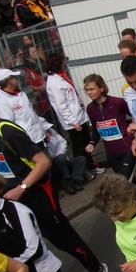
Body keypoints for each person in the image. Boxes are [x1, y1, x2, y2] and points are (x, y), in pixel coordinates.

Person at [0, 91, 110, 272]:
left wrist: (21, 188)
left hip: (38, 194)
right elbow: (1, 165)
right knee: (23, 243)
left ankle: (98, 269)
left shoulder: (8, 132)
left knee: (63, 239)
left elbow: (43, 162)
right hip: (15, 198)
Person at [44, 53, 92, 194]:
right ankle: (81, 173)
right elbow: (61, 106)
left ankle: (89, 166)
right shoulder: (54, 83)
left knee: (86, 142)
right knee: (79, 147)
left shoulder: (61, 77)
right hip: (73, 121)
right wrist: (73, 121)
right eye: (62, 62)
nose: (64, 64)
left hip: (79, 117)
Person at [82, 73, 136, 182]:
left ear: (101, 88)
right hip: (111, 153)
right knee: (129, 185)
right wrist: (92, 143)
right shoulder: (90, 109)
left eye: (92, 89)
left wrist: (135, 135)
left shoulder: (117, 102)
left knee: (123, 183)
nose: (89, 93)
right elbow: (96, 128)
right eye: (86, 90)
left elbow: (134, 115)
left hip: (127, 149)